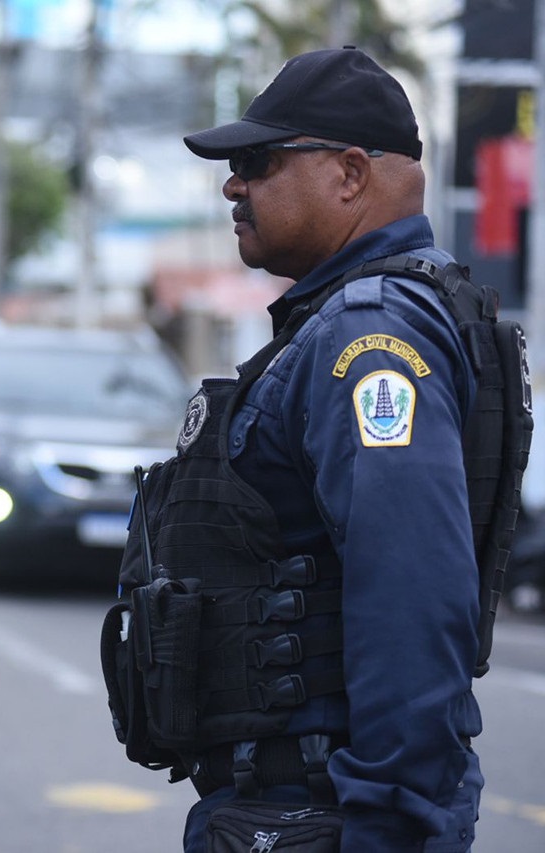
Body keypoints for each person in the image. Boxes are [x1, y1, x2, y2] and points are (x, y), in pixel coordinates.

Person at [99, 47, 530, 852]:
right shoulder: (352, 320)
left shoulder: (367, 338)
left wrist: (391, 827)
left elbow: (412, 596)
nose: (234, 184)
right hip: (290, 807)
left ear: (350, 174)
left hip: (320, 813)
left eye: (257, 161)